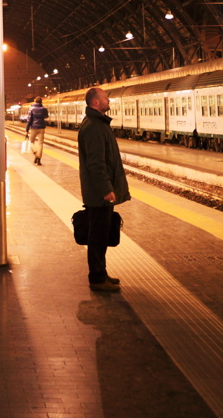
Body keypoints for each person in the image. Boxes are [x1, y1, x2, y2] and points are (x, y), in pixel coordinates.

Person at [77, 87, 130, 292]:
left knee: (101, 234)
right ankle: (97, 278)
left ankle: (101, 272)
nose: (109, 100)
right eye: (106, 98)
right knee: (97, 235)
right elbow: (96, 163)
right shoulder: (93, 127)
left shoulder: (99, 124)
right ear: (96, 103)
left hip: (100, 191)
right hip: (98, 193)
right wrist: (106, 189)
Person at [25, 95, 49, 164]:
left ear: (35, 101)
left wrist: (27, 130)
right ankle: (39, 158)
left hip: (34, 127)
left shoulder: (31, 109)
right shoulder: (44, 108)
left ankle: (35, 152)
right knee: (40, 143)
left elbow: (29, 120)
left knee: (31, 141)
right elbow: (46, 116)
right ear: (41, 102)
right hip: (42, 127)